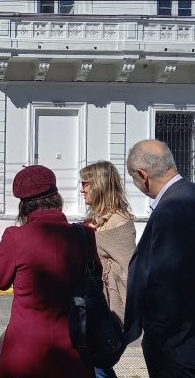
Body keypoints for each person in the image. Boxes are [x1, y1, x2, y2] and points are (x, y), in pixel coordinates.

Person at [0, 165, 100, 378]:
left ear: (24, 206)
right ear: (57, 199)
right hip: (74, 346)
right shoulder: (84, 235)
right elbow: (95, 276)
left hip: (26, 350)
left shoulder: (15, 236)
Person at [124, 139, 195, 377]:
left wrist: (156, 337)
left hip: (176, 347)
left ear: (142, 175)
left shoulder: (170, 210)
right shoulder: (189, 193)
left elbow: (166, 283)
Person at [80, 161, 136, 378]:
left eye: (86, 183)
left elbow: (128, 271)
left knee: (99, 365)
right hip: (93, 307)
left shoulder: (119, 223)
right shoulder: (96, 220)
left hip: (108, 311)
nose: (81, 189)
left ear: (100, 185)